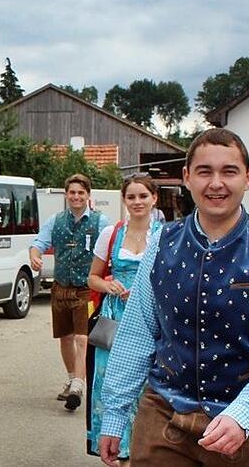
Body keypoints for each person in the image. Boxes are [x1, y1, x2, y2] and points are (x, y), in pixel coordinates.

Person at [99, 128, 249, 466]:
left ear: (248, 178)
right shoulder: (162, 242)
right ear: (187, 177)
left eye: (229, 171)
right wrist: (115, 412)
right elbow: (138, 331)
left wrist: (244, 413)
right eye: (204, 171)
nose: (216, 183)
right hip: (165, 416)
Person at [85, 174, 160, 463]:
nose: (137, 202)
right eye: (131, 197)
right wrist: (109, 286)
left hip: (150, 318)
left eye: (143, 196)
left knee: (146, 387)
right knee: (111, 383)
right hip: (115, 318)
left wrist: (146, 292)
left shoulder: (165, 235)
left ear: (154, 199)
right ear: (124, 200)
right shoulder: (111, 233)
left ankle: (145, 452)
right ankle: (117, 452)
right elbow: (92, 277)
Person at [30, 174, 111, 411]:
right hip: (61, 287)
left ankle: (78, 385)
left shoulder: (100, 221)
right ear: (66, 195)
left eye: (81, 193)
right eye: (72, 192)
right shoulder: (55, 221)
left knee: (82, 337)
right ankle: (71, 378)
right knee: (65, 337)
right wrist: (34, 255)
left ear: (88, 195)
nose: (76, 197)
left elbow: (110, 248)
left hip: (87, 289)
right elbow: (38, 243)